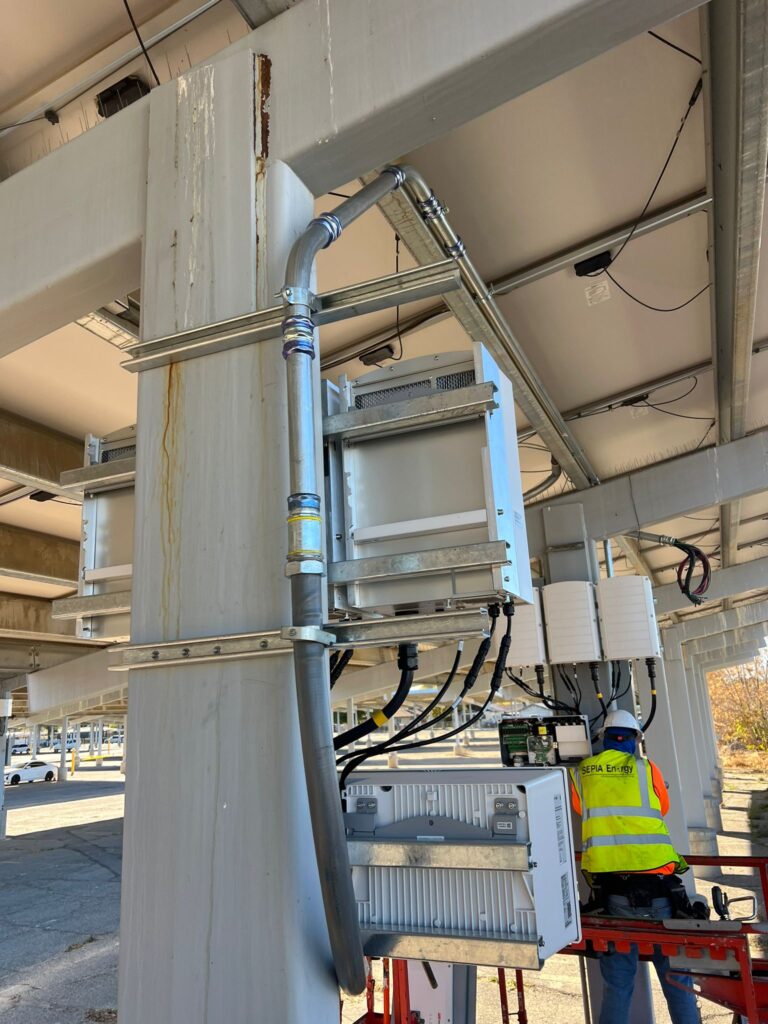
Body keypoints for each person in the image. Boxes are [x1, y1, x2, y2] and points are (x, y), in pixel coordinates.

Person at [570, 709, 701, 1024]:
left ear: (603, 739)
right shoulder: (647, 768)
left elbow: (578, 808)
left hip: (614, 894)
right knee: (678, 982)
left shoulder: (582, 772)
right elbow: (663, 807)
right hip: (660, 891)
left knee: (617, 986)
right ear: (635, 740)